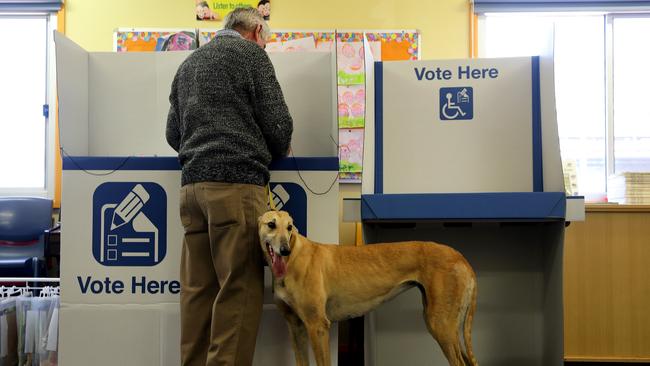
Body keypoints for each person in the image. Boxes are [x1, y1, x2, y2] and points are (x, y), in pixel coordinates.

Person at [166, 7, 293, 366]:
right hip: (236, 188)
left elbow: (172, 133)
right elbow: (279, 126)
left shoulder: (189, 64)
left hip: (191, 191)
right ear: (255, 31)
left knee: (197, 293)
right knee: (239, 290)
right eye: (265, 41)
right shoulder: (252, 56)